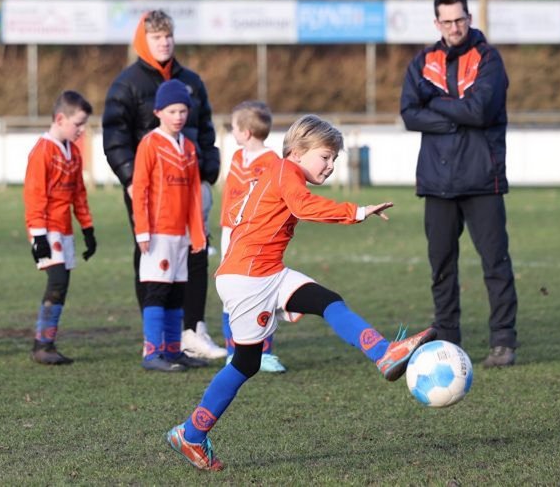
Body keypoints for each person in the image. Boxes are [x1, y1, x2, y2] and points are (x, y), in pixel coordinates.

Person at [165, 115, 436, 471]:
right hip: (250, 278)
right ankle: (191, 433)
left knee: (326, 301)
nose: (331, 165)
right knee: (245, 362)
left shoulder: (277, 172)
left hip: (261, 272)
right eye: (325, 156)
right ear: (296, 152)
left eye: (334, 158)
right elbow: (303, 206)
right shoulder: (285, 171)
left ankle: (383, 352)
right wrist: (357, 211)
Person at [399, 0, 518, 367]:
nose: (454, 27)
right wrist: (455, 117)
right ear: (437, 23)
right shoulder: (422, 61)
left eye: (460, 19)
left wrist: (433, 101)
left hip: (482, 178)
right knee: (441, 267)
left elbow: (481, 111)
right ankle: (448, 339)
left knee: (495, 263)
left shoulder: (489, 59)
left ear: (469, 18)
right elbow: (408, 114)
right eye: (447, 21)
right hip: (436, 181)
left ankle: (503, 341)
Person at [102, 9, 226, 361]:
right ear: (143, 41)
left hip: (190, 185)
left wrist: (208, 169)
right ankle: (154, 340)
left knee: (196, 253)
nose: (164, 42)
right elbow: (115, 135)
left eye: (168, 36)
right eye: (156, 37)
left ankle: (192, 331)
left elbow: (206, 130)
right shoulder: (126, 84)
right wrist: (130, 177)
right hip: (149, 191)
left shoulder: (192, 81)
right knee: (151, 257)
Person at [132, 80, 209, 372]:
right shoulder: (149, 144)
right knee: (157, 289)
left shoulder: (188, 147)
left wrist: (197, 233)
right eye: (172, 111)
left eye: (182, 111)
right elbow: (140, 189)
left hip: (181, 234)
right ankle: (152, 353)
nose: (178, 117)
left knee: (178, 291)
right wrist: (142, 230)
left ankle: (173, 351)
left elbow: (194, 194)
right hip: (157, 232)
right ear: (158, 112)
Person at [24, 91, 97, 365]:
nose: (81, 130)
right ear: (60, 119)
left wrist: (87, 229)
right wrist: (38, 236)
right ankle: (42, 345)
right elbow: (34, 196)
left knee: (62, 284)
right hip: (47, 227)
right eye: (78, 124)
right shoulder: (42, 151)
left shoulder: (73, 152)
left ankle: (47, 343)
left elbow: (79, 194)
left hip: (64, 228)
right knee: (57, 281)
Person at [219, 100, 286, 373]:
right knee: (231, 295)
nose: (232, 131)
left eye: (234, 127)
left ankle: (264, 353)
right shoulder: (237, 157)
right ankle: (232, 352)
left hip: (256, 236)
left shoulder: (273, 162)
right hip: (230, 233)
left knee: (260, 293)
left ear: (245, 132)